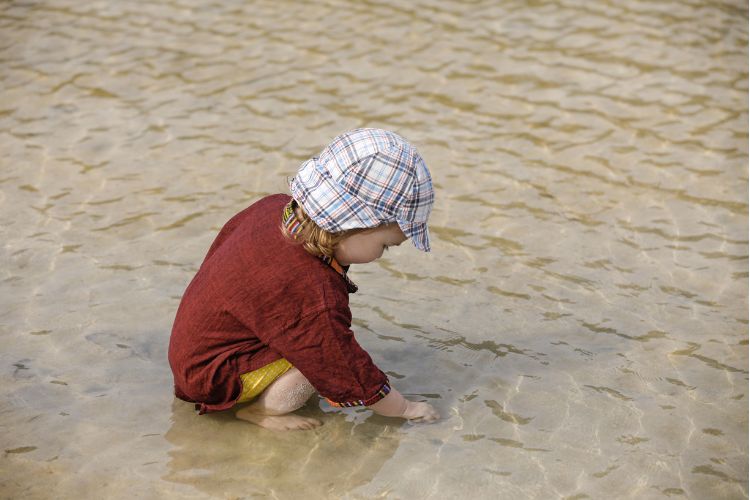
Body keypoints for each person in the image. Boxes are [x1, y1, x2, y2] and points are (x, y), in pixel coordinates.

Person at [168, 128, 440, 431]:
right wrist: (404, 407)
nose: (382, 255)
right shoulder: (313, 290)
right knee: (321, 354)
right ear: (352, 224)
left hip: (192, 354)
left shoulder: (272, 209)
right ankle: (262, 411)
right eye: (385, 244)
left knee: (315, 338)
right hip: (212, 378)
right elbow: (342, 362)